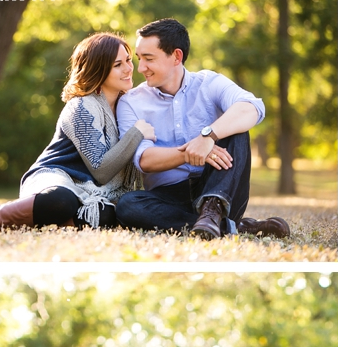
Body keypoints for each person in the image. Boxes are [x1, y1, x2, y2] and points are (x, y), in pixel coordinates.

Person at [0, 33, 156, 235]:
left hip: (93, 192)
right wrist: (137, 133)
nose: (129, 69)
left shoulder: (127, 108)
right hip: (54, 179)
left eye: (128, 60)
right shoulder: (80, 107)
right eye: (118, 64)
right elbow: (102, 170)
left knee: (105, 215)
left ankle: (15, 214)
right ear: (97, 69)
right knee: (62, 201)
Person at [112, 18, 290, 241]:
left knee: (236, 127)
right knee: (127, 206)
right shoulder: (131, 101)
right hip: (168, 197)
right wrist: (192, 152)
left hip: (220, 186)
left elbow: (252, 107)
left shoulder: (209, 83)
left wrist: (208, 136)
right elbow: (144, 159)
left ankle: (213, 211)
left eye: (149, 59)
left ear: (176, 56)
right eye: (140, 59)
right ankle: (231, 226)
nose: (140, 68)